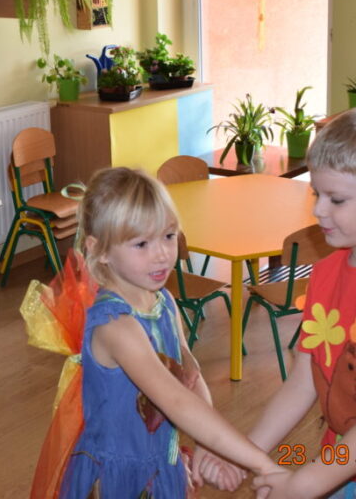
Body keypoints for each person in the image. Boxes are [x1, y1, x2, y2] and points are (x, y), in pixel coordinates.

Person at [53, 167, 282, 498]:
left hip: (160, 463)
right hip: (118, 479)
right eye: (141, 243)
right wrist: (262, 464)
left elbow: (189, 376)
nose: (161, 253)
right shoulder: (115, 326)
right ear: (99, 249)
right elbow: (174, 400)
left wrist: (207, 444)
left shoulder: (165, 302)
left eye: (169, 236)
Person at [196, 108, 356, 498]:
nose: (318, 210)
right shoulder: (325, 276)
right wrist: (244, 454)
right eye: (317, 193)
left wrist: (306, 483)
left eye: (336, 199)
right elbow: (304, 380)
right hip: (340, 460)